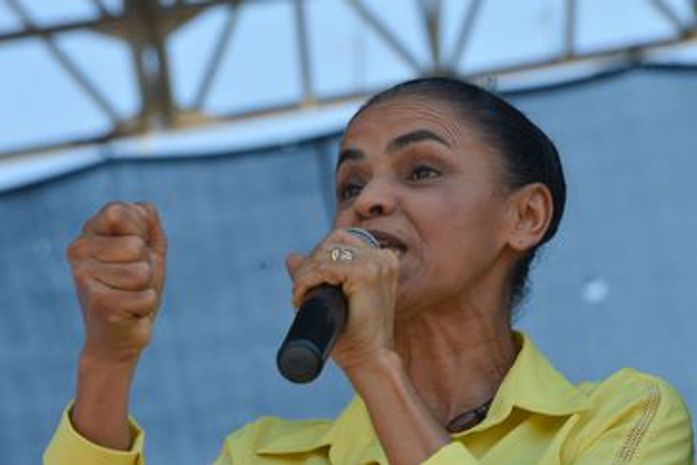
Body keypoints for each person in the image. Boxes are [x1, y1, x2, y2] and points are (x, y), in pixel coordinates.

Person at [44, 77, 694, 465]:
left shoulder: (623, 417)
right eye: (350, 184)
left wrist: (375, 366)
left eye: (422, 170)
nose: (370, 200)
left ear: (524, 216)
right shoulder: (264, 455)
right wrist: (108, 361)